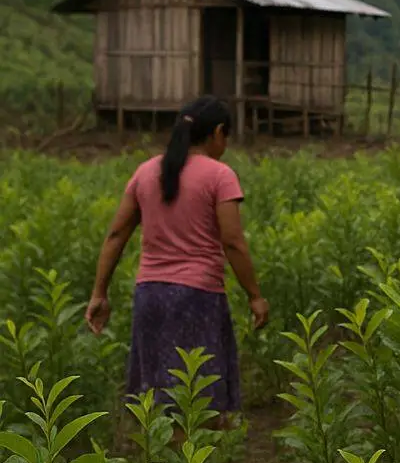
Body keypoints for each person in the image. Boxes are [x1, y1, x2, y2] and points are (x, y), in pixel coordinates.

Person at [85, 95, 268, 417]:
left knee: (157, 398)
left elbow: (116, 235)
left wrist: (99, 293)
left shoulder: (145, 172)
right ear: (218, 132)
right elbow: (233, 242)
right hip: (197, 298)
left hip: (150, 296)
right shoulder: (220, 175)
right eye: (226, 136)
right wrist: (254, 296)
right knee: (200, 398)